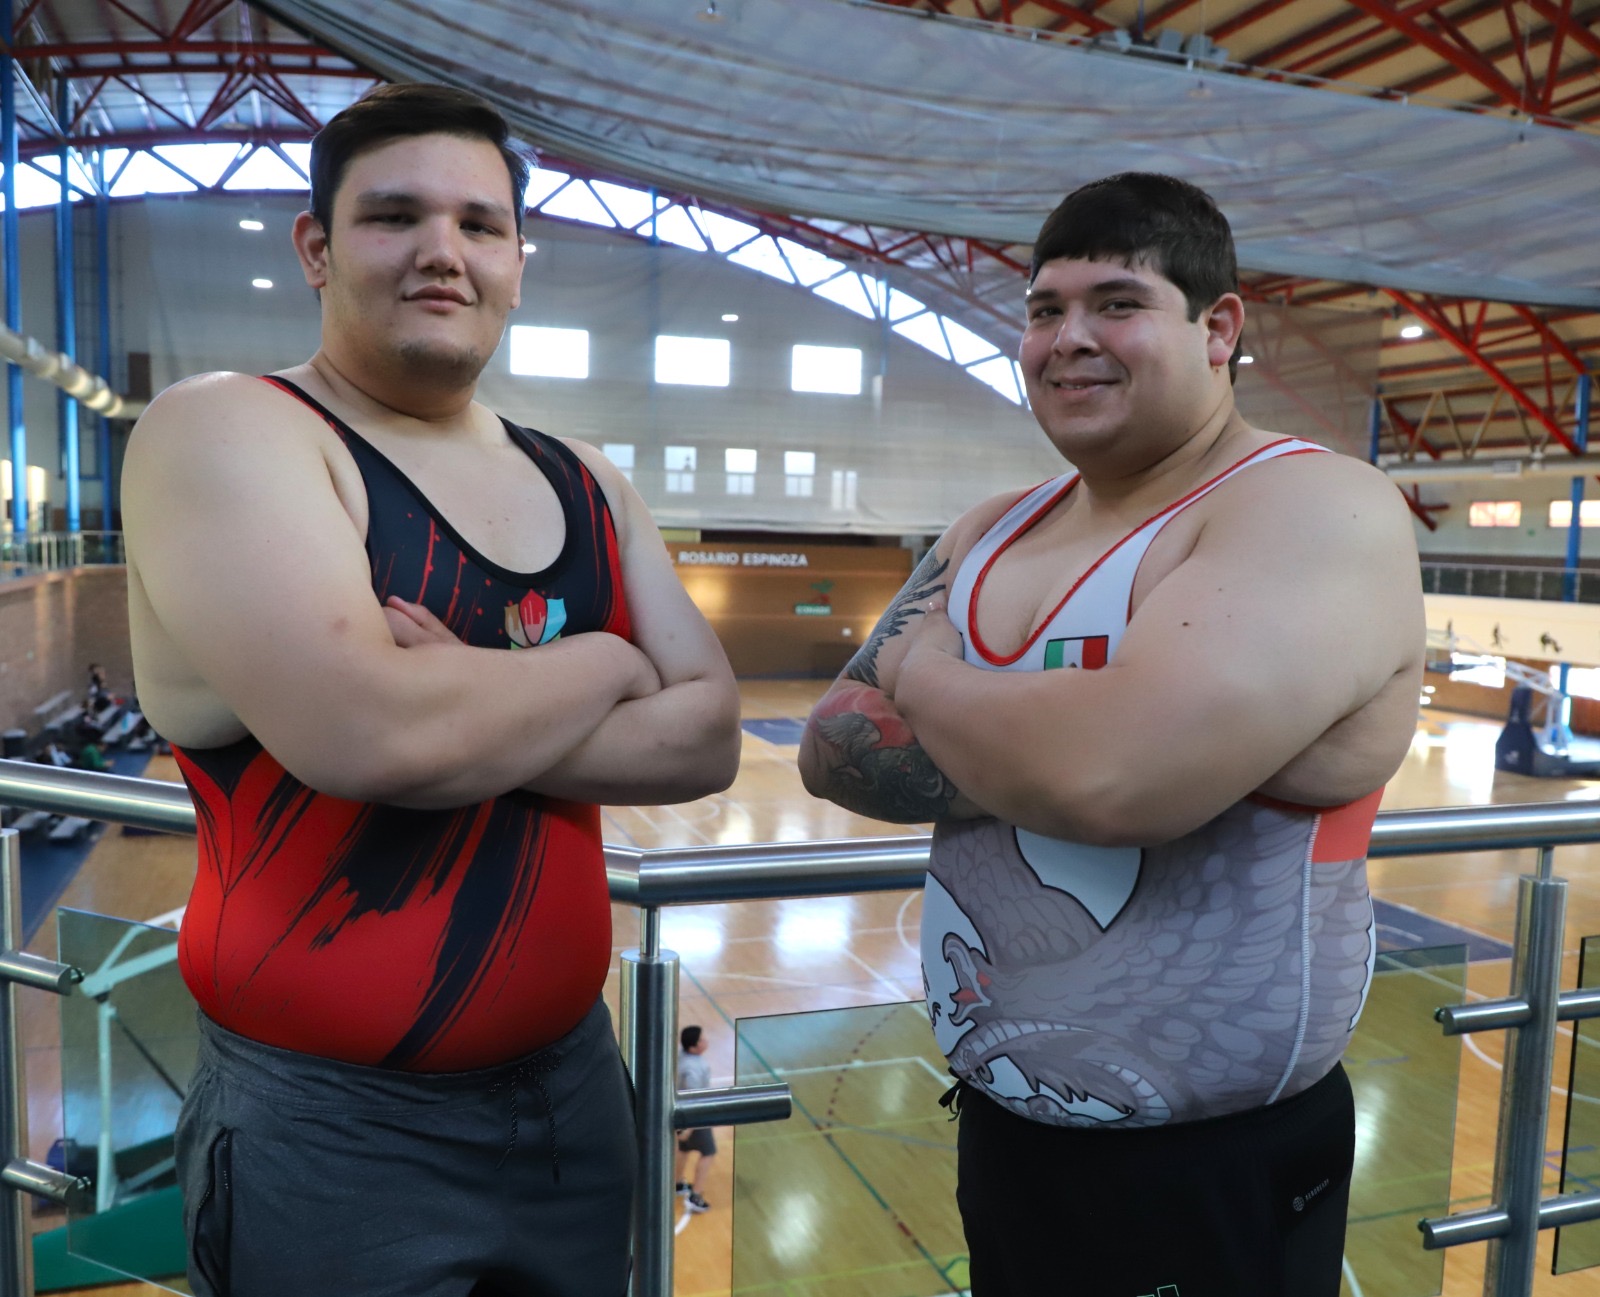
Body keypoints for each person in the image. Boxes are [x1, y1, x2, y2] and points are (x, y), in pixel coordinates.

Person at [122, 83, 741, 1297]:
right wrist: (612, 663)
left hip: (572, 1094)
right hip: (332, 1132)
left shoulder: (585, 481)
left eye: (478, 224)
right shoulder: (234, 432)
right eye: (392, 216)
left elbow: (707, 735)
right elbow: (375, 739)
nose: (441, 253)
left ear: (519, 259)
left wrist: (472, 693)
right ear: (316, 246)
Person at [799, 173, 1423, 1297]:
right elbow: (835, 750)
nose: (1067, 339)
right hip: (1008, 1137)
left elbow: (1108, 777)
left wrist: (920, 666)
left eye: (1117, 302)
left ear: (1218, 327)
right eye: (1044, 310)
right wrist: (1060, 733)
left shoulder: (1311, 507)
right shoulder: (994, 526)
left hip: (1214, 1169)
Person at [674, 1024, 716, 1214]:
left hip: (682, 1114)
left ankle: (675, 1184)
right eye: (701, 1039)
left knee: (684, 1149)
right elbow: (694, 1096)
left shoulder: (681, 1057)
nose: (705, 1041)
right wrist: (690, 1126)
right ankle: (695, 1196)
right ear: (693, 1047)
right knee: (708, 1153)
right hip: (696, 1117)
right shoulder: (694, 1069)